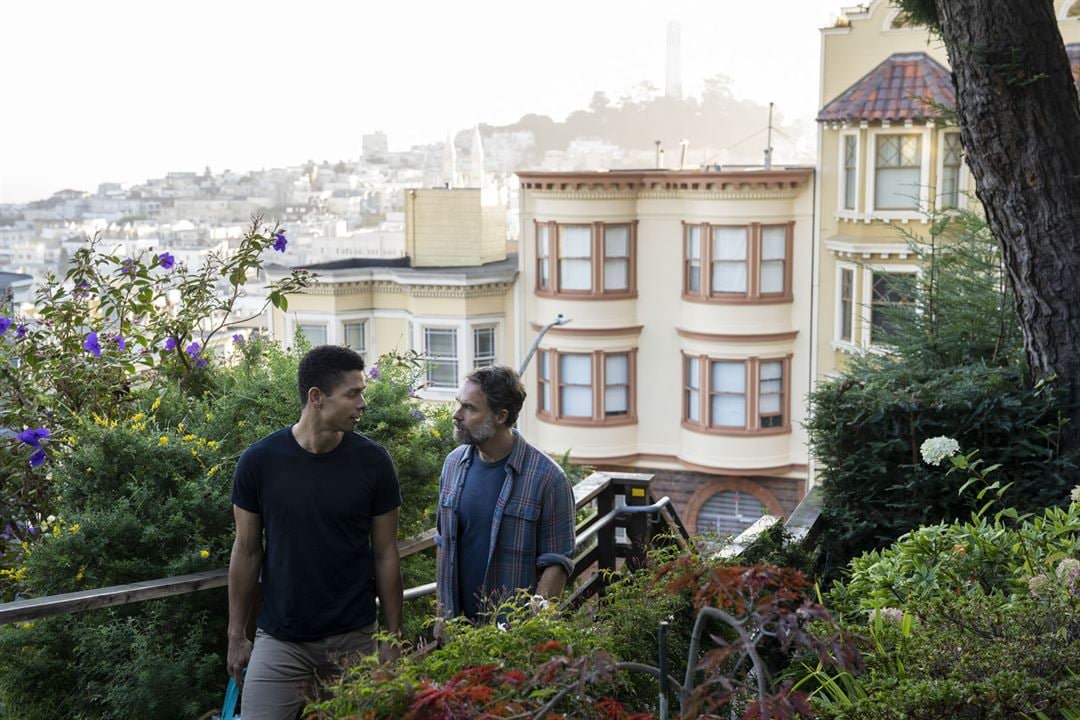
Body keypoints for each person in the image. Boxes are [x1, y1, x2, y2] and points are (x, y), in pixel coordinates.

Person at [227, 345, 402, 719]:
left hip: (355, 638)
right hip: (280, 638)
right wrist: (236, 635)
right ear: (317, 398)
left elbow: (386, 553)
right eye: (353, 394)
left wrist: (392, 637)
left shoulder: (374, 462)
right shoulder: (258, 462)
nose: (362, 404)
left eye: (362, 393)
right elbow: (246, 551)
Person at [435, 364, 576, 625]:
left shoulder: (548, 479)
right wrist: (441, 617)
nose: (457, 415)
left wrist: (533, 628)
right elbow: (444, 541)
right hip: (457, 631)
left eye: (469, 408)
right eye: (459, 404)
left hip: (511, 634)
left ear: (500, 416)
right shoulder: (453, 464)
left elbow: (557, 562)